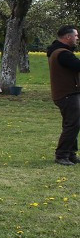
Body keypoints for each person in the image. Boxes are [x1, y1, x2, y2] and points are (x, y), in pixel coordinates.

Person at [47, 25, 80, 165]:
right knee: (72, 124)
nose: (77, 38)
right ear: (68, 37)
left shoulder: (57, 51)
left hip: (65, 93)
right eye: (76, 35)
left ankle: (71, 154)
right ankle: (62, 155)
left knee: (72, 124)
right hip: (68, 94)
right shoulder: (63, 54)